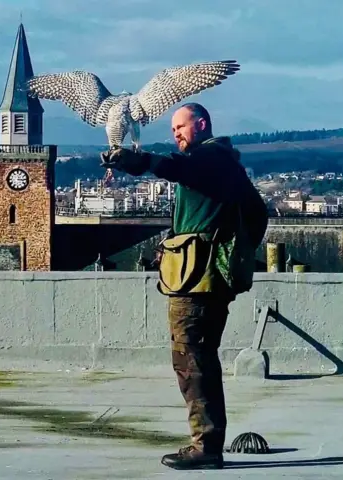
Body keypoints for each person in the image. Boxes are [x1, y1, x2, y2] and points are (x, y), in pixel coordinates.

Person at [100, 102, 268, 470]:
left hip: (197, 280)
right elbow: (258, 213)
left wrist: (140, 162)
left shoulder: (209, 159)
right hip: (204, 276)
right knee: (199, 358)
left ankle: (205, 445)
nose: (175, 133)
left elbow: (177, 169)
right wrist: (233, 254)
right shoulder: (224, 164)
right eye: (173, 128)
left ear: (202, 124)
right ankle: (206, 441)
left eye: (181, 126)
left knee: (192, 360)